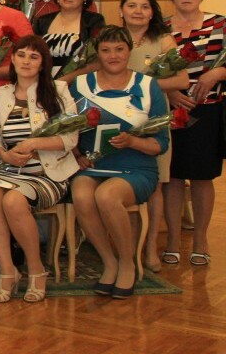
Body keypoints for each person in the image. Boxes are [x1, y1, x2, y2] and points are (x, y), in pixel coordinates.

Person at [69, 26, 169, 298]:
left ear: (129, 51)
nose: (113, 55)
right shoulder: (80, 85)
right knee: (81, 194)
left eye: (119, 49)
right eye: (106, 50)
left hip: (136, 167)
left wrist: (133, 142)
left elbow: (161, 143)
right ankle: (109, 262)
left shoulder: (147, 86)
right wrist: (77, 155)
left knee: (107, 195)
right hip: (93, 166)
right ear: (97, 53)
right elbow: (67, 130)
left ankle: (127, 264)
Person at [0, 36, 79, 303]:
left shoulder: (58, 90)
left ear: (43, 63)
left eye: (34, 57)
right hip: (10, 168)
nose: (26, 61)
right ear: (12, 59)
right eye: (21, 55)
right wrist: (4, 154)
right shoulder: (0, 94)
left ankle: (36, 270)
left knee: (13, 201)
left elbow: (70, 138)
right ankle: (8, 271)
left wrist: (34, 143)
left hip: (47, 172)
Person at [119, 0, 188, 272]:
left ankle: (150, 250)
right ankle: (127, 249)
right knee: (123, 182)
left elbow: (182, 80)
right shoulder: (114, 38)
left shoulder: (164, 40)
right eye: (132, 5)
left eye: (145, 6)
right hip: (120, 120)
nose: (138, 11)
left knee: (155, 185)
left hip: (154, 120)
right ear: (121, 10)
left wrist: (143, 85)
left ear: (152, 12)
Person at [162, 0, 226, 268]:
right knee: (172, 177)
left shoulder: (220, 24)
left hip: (208, 110)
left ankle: (200, 240)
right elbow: (147, 70)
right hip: (169, 111)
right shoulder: (160, 28)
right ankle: (173, 240)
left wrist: (217, 73)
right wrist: (171, 92)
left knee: (201, 177)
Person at [32, 0, 105, 81]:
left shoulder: (94, 21)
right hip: (44, 84)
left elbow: (96, 62)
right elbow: (32, 55)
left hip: (80, 84)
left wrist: (62, 82)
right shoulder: (42, 21)